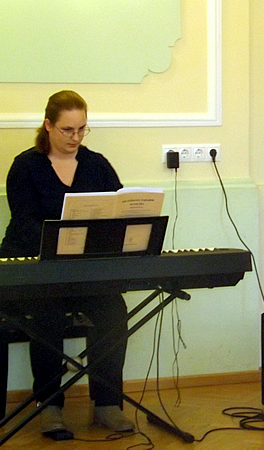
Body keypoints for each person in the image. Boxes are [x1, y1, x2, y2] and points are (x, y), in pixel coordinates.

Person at [0, 91, 134, 440]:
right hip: (34, 269)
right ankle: (50, 405)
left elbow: (118, 209)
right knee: (47, 313)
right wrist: (61, 240)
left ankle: (107, 403)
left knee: (113, 309)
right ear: (48, 125)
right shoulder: (25, 166)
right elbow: (24, 222)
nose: (75, 137)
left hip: (82, 271)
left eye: (82, 129)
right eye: (67, 130)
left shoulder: (97, 165)